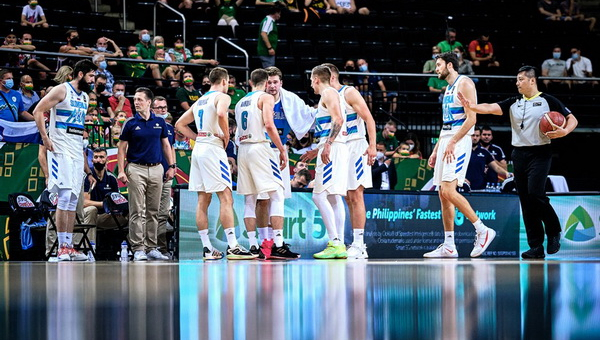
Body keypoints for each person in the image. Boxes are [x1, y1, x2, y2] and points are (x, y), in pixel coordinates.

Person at [457, 65, 578, 259]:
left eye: (520, 79)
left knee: (536, 193)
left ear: (532, 80)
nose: (517, 82)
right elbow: (490, 107)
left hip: (540, 152)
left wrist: (565, 131)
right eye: (516, 79)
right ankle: (536, 247)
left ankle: (554, 230)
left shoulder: (548, 101)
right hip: (519, 154)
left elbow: (572, 119)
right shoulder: (514, 102)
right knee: (526, 201)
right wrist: (471, 106)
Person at [175, 67, 254, 260]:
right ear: (225, 81)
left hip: (200, 147)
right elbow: (220, 113)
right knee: (226, 197)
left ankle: (207, 249)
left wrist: (197, 137)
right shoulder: (222, 97)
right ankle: (233, 246)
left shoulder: (200, 100)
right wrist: (226, 135)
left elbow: (179, 124)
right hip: (212, 148)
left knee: (203, 200)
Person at [423, 52, 496, 259]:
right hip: (447, 140)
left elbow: (471, 119)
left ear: (449, 65)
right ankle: (449, 245)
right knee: (442, 193)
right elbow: (446, 123)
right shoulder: (447, 89)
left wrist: (453, 142)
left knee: (448, 189)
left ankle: (482, 229)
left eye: (438, 65)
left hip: (459, 141)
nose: (435, 69)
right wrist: (436, 149)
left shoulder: (465, 83)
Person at [32, 59, 97, 261]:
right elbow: (38, 111)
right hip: (60, 149)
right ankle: (62, 247)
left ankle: (68, 245)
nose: (94, 80)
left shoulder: (85, 97)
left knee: (72, 199)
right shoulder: (62, 90)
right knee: (64, 196)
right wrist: (45, 137)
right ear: (80, 74)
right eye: (91, 76)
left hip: (77, 150)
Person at [235, 68, 298, 259]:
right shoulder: (266, 98)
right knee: (277, 194)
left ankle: (254, 246)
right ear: (264, 82)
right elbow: (269, 126)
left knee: (249, 199)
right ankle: (278, 244)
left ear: (251, 81)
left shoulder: (239, 102)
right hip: (260, 147)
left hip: (243, 149)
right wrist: (280, 149)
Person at [321, 63, 376, 259]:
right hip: (342, 147)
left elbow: (369, 118)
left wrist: (372, 145)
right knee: (345, 196)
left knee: (356, 195)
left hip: (356, 145)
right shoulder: (329, 98)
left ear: (332, 78)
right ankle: (352, 241)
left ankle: (360, 245)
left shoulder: (349, 92)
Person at [117, 87, 175, 261]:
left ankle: (151, 247)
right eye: (135, 99)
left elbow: (166, 145)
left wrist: (171, 166)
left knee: (154, 210)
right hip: (136, 168)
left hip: (157, 168)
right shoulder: (130, 123)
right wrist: (121, 170)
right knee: (137, 210)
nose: (136, 102)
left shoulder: (160, 122)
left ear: (149, 102)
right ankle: (138, 248)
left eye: (140, 99)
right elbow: (121, 148)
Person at [308, 65, 348, 260]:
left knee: (319, 196)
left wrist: (328, 144)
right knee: (333, 197)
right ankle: (339, 242)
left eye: (311, 80)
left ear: (316, 79)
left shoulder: (328, 93)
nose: (311, 85)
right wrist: (319, 147)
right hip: (333, 146)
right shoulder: (329, 95)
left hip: (333, 147)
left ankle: (335, 242)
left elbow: (338, 119)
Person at [82, 147, 128, 244]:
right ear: (92, 160)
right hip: (90, 215)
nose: (98, 160)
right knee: (92, 210)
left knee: (133, 214)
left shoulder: (111, 178)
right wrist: (105, 204)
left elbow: (116, 199)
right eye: (96, 157)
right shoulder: (88, 177)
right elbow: (85, 203)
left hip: (107, 216)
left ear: (107, 160)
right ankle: (90, 248)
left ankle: (133, 248)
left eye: (102, 157)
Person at [153, 96, 176, 258]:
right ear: (152, 109)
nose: (162, 110)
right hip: (152, 172)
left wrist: (173, 167)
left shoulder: (169, 128)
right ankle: (147, 246)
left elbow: (171, 148)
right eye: (159, 107)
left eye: (164, 107)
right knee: (149, 212)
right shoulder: (149, 125)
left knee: (162, 213)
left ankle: (160, 247)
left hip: (167, 175)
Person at [465, 127, 511, 191]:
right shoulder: (461, 150)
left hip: (480, 188)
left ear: (480, 137)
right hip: (465, 186)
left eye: (477, 136)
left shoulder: (485, 152)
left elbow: (496, 167)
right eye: (473, 135)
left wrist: (506, 173)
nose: (475, 138)